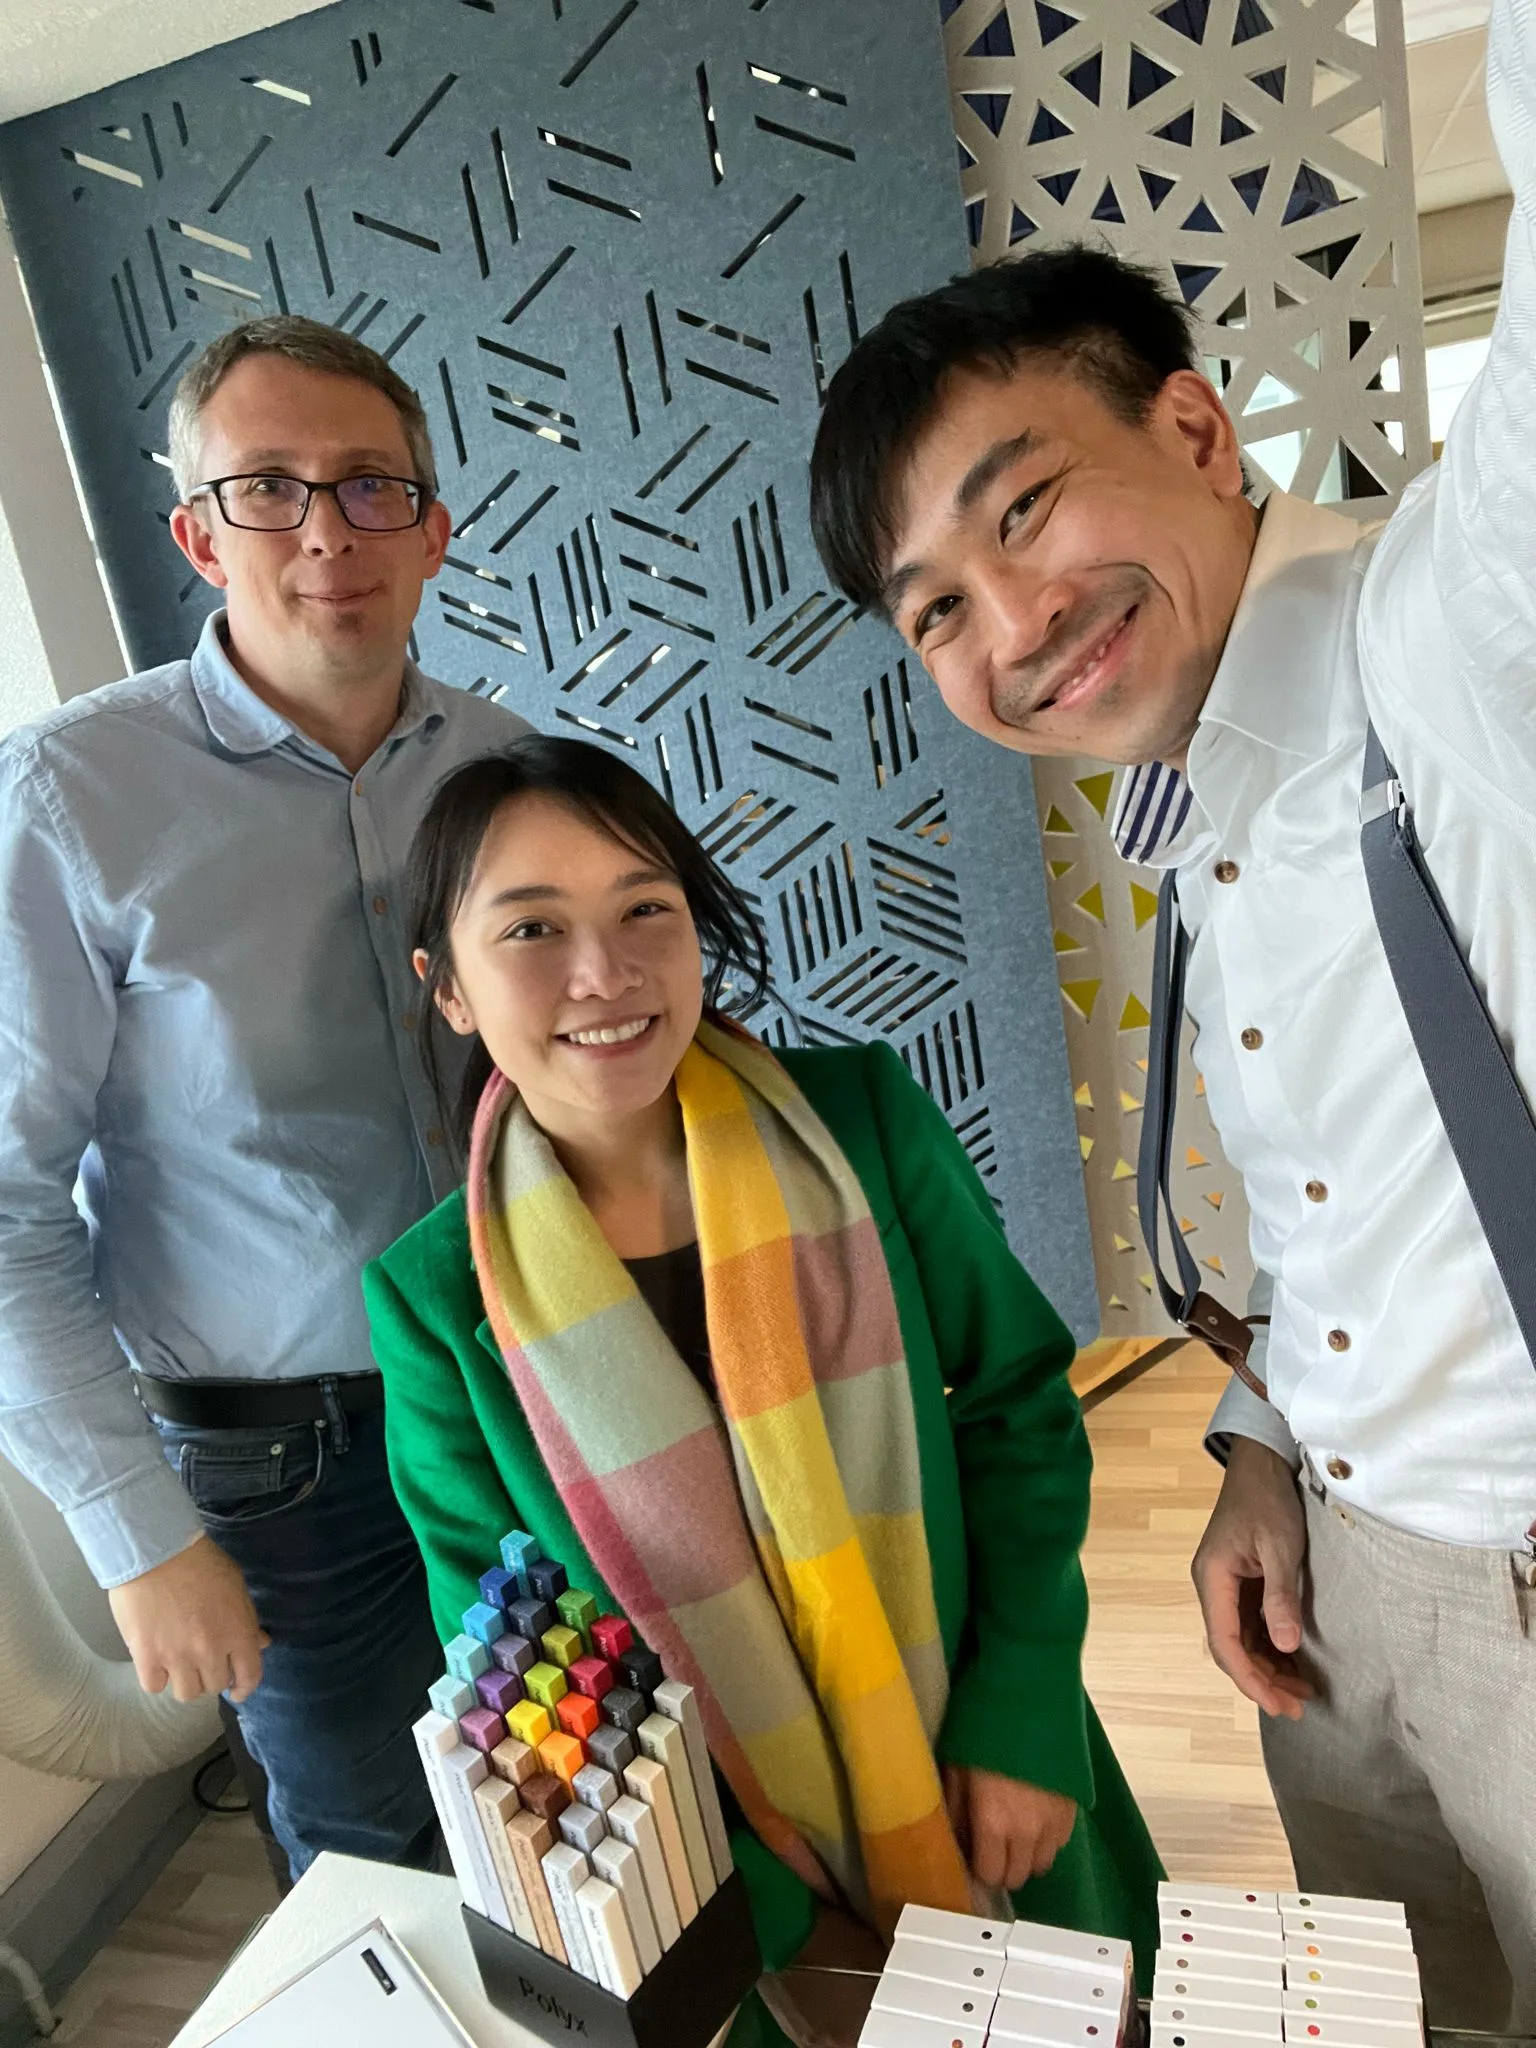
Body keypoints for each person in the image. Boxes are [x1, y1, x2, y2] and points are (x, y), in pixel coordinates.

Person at [803, 1, 1536, 2028]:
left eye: (1024, 507)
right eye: (933, 605)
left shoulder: (1460, 643)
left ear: (1199, 435)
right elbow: (1331, 1196)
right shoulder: (1189, 788)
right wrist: (1260, 1443)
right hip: (1351, 1591)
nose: (1008, 621)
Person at [361, 734, 1162, 2046]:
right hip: (730, 1891)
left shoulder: (858, 1123)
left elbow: (1017, 1399)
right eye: (531, 931)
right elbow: (530, 1687)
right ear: (445, 988)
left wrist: (1023, 1710)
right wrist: (780, 1924)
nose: (604, 974)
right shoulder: (436, 1301)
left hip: (977, 1770)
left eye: (645, 912)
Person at [0, 315, 528, 1882]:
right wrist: (143, 1539)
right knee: (373, 1850)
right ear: (194, 532)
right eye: (267, 488)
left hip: (522, 1388)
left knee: (570, 1806)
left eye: (371, 485)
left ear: (435, 522)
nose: (326, 531)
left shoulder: (511, 773)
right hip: (274, 1468)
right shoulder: (68, 800)